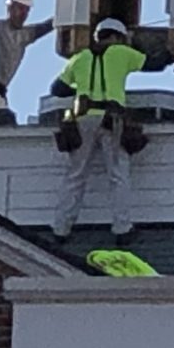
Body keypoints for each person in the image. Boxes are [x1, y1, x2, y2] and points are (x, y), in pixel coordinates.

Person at [50, 17, 147, 244]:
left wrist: (82, 87)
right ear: (116, 37)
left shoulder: (80, 57)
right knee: (118, 174)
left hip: (83, 118)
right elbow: (154, 61)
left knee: (75, 175)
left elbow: (57, 88)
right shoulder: (121, 52)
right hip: (111, 118)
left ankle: (60, 230)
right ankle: (122, 229)